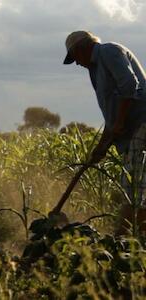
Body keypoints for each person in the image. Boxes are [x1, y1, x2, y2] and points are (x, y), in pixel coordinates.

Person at [63, 30, 146, 234]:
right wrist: (101, 148)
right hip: (132, 130)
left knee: (134, 191)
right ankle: (133, 240)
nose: (77, 64)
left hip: (141, 123)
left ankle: (123, 240)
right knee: (135, 189)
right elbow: (112, 117)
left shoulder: (109, 51)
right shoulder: (96, 69)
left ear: (82, 48)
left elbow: (129, 84)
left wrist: (118, 121)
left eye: (75, 58)